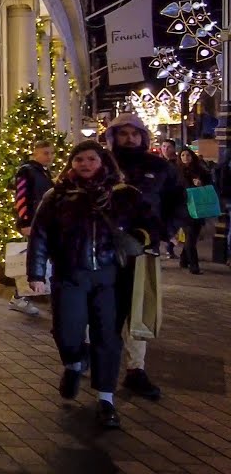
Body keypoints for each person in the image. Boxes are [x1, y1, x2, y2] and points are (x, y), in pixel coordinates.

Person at [28, 140, 160, 429]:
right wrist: (36, 274)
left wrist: (139, 238)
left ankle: (106, 400)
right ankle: (75, 363)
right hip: (69, 276)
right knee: (67, 333)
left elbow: (152, 225)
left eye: (91, 159)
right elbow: (39, 236)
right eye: (78, 160)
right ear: (71, 164)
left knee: (107, 339)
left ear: (102, 162)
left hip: (111, 279)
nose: (84, 164)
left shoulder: (123, 195)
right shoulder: (57, 196)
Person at [105, 113, 184, 401]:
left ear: (143, 136)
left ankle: (135, 369)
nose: (129, 138)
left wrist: (164, 232)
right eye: (123, 133)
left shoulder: (159, 167)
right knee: (106, 308)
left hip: (144, 249)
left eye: (134, 133)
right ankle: (103, 365)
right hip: (105, 249)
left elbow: (177, 201)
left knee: (139, 308)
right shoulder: (101, 163)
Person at [10, 141, 56, 315]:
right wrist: (25, 222)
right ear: (35, 153)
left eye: (51, 153)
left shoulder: (43, 173)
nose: (49, 157)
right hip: (33, 224)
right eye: (45, 153)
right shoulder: (27, 171)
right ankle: (20, 297)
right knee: (30, 260)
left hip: (43, 224)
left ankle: (28, 296)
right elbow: (21, 197)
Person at [177, 146, 209, 275]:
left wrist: (201, 184)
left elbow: (209, 184)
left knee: (193, 236)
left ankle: (184, 259)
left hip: (199, 206)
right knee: (190, 236)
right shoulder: (177, 172)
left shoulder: (200, 170)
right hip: (185, 208)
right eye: (183, 155)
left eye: (188, 155)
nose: (185, 158)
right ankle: (194, 265)